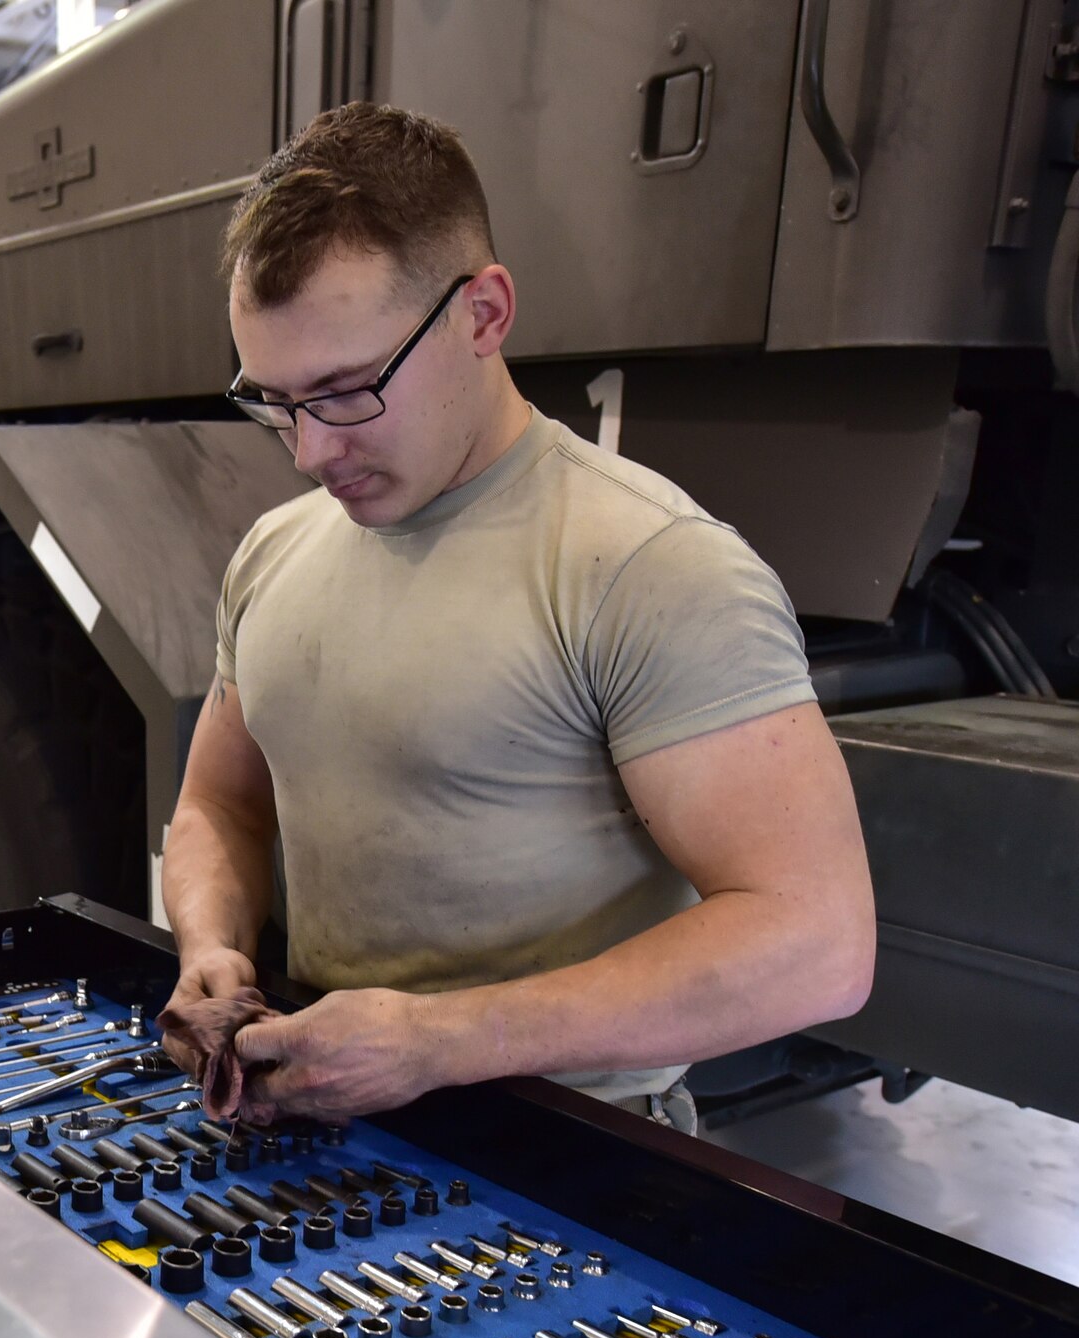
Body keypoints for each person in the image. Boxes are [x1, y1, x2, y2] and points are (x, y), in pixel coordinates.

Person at [158, 104, 876, 1133]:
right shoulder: (275, 551)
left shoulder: (642, 565)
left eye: (348, 390)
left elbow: (815, 943)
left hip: (578, 1164)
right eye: (273, 401)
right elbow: (218, 808)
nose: (311, 451)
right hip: (322, 1130)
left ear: (484, 314)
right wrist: (210, 946)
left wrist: (439, 1042)